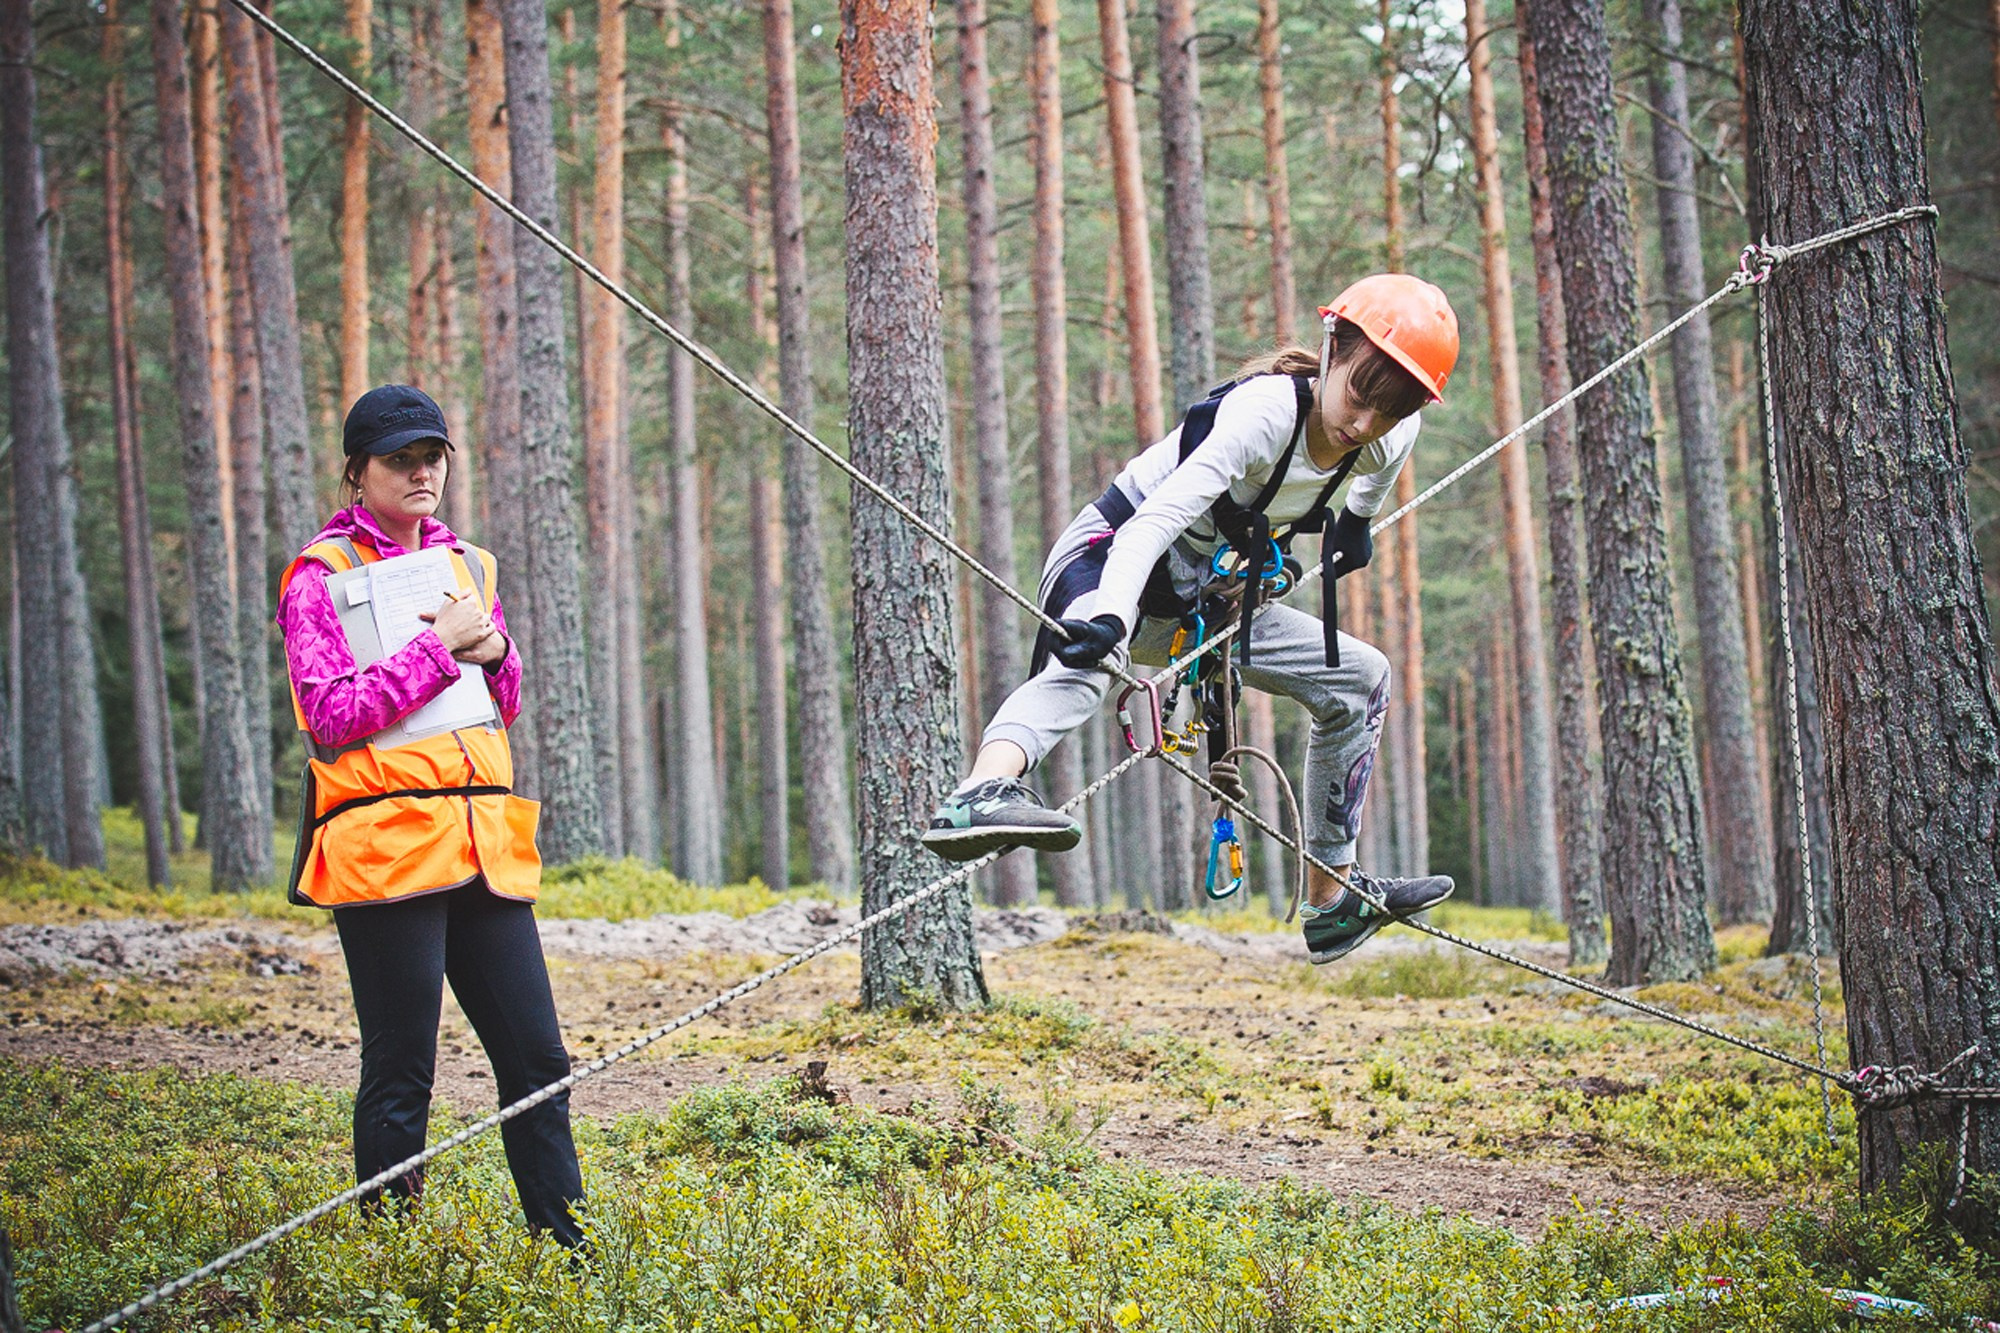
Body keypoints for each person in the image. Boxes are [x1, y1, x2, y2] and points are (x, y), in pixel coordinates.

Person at [923, 276, 1460, 964]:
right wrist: (1112, 614)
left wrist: (1355, 521)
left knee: (1362, 676)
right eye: (1359, 396)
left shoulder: (1391, 430)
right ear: (1332, 349)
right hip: (1111, 553)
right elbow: (1154, 521)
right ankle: (980, 793)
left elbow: (1375, 474)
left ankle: (1332, 901)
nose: (1362, 424)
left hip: (1203, 602)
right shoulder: (1265, 413)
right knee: (1083, 668)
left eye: (1386, 414)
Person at [275, 384, 585, 1247]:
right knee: (403, 1066)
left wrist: (496, 650)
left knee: (538, 1061)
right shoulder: (320, 575)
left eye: (433, 456)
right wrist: (436, 648)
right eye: (399, 459)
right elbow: (328, 714)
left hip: (485, 844)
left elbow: (503, 703)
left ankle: (567, 1256)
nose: (421, 472)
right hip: (382, 848)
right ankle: (387, 1263)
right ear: (357, 472)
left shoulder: (468, 566)